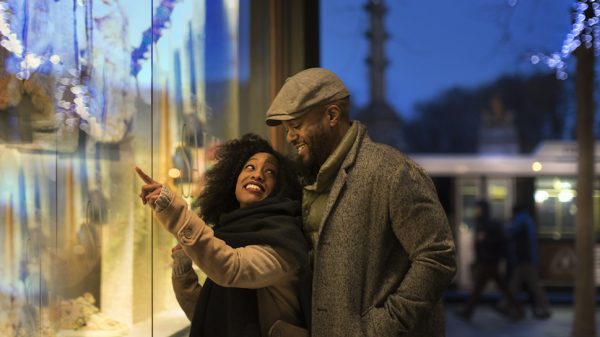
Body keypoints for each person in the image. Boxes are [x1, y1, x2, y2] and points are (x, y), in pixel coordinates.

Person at [264, 67, 457, 337]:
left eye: (296, 126)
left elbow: (438, 257)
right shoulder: (306, 180)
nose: (290, 136)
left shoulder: (391, 171)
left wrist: (382, 327)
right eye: (287, 128)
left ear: (332, 115)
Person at [136, 133, 311, 337]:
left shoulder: (284, 237)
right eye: (250, 167)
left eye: (270, 172)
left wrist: (174, 211)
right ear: (233, 178)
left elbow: (232, 268)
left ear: (280, 187)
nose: (258, 175)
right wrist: (183, 270)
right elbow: (208, 316)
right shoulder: (228, 232)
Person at [457, 199, 523, 321]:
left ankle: (467, 312)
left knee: (483, 288)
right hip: (487, 262)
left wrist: (486, 239)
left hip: (490, 262)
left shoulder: (491, 224)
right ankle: (518, 310)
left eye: (478, 209)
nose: (476, 211)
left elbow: (499, 240)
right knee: (494, 287)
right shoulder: (482, 224)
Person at [501, 204, 551, 319]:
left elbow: (510, 230)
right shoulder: (528, 220)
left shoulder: (521, 220)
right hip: (527, 259)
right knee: (518, 284)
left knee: (532, 286)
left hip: (524, 259)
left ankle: (506, 305)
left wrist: (503, 225)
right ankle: (505, 305)